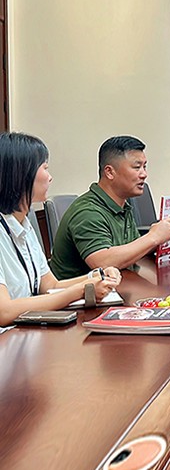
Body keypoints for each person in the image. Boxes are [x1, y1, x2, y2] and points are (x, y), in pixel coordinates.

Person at [0, 132, 120, 326]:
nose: (50, 177)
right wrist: (82, 290)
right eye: (44, 168)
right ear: (21, 174)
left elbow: (50, 285)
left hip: (28, 331)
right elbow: (4, 312)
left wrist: (98, 276)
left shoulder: (24, 225)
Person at [50, 136, 170, 279]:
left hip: (117, 285)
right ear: (109, 172)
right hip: (82, 293)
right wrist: (153, 237)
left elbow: (132, 251)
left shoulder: (122, 204)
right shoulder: (88, 212)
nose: (144, 174)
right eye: (137, 167)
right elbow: (103, 263)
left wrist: (168, 234)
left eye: (144, 167)